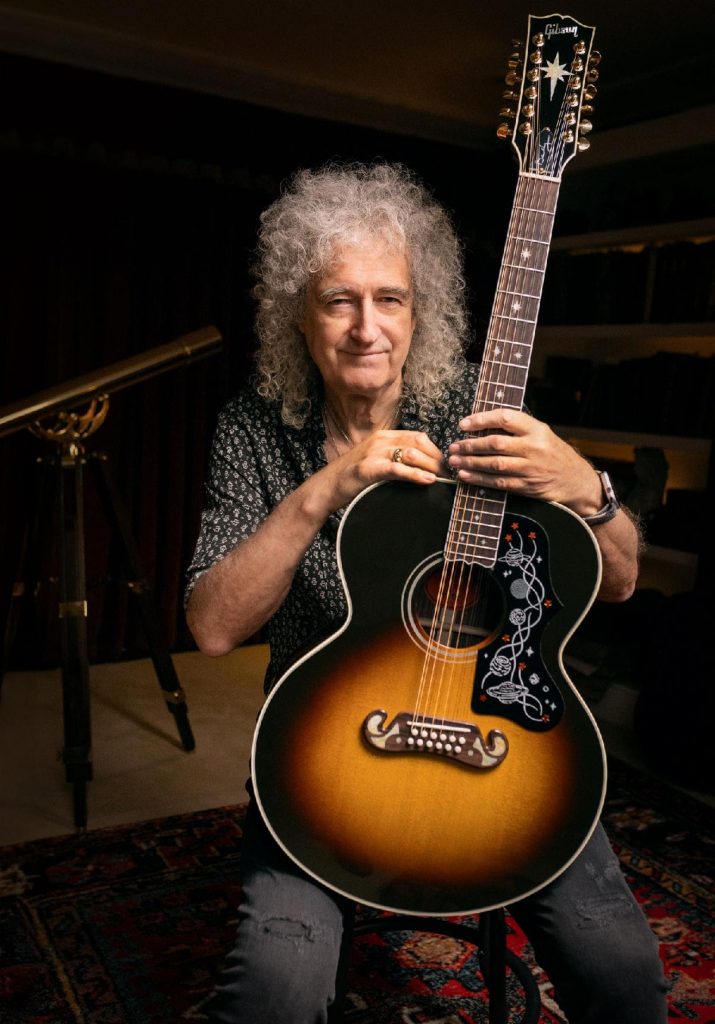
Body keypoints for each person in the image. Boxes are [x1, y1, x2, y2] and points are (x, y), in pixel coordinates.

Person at [185, 162, 668, 1024]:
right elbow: (212, 628)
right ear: (296, 313)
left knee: (622, 973)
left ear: (421, 311)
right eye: (338, 300)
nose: (366, 328)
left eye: (390, 299)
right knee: (274, 993)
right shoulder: (252, 428)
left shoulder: (483, 409)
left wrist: (583, 486)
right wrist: (322, 492)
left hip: (510, 737)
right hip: (325, 749)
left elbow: (624, 581)